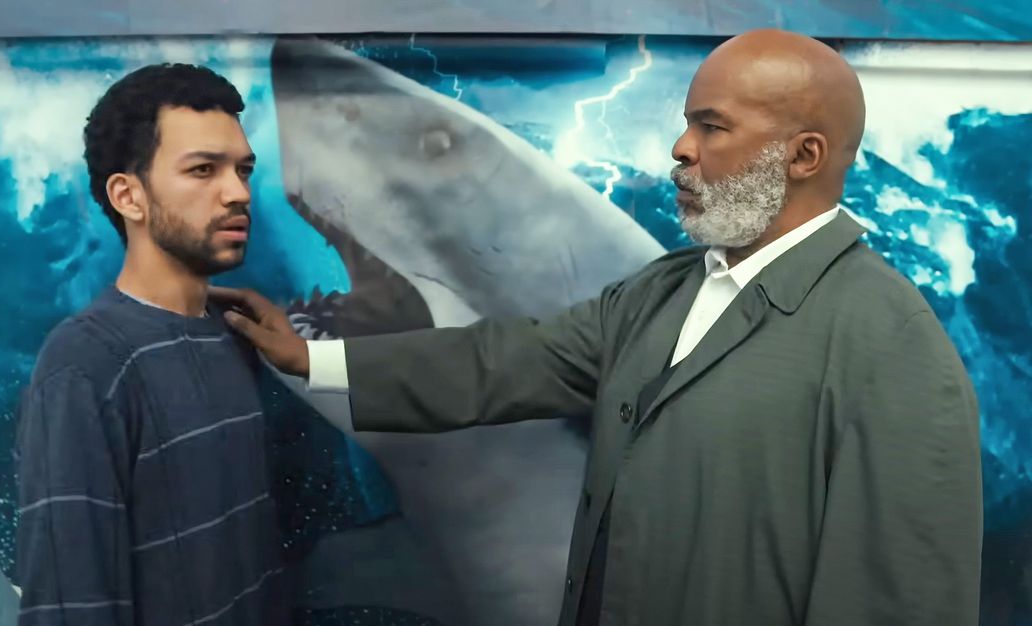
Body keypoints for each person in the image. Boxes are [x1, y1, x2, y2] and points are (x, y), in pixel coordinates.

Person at [216, 29, 983, 626]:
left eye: (713, 127)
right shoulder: (658, 294)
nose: (681, 149)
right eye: (687, 123)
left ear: (803, 155)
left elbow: (905, 597)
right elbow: (506, 362)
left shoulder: (892, 344)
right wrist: (315, 360)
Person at [14, 63, 290, 626]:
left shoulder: (233, 335)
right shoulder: (85, 367)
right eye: (203, 170)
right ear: (129, 197)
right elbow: (72, 609)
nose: (237, 193)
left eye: (243, 170)